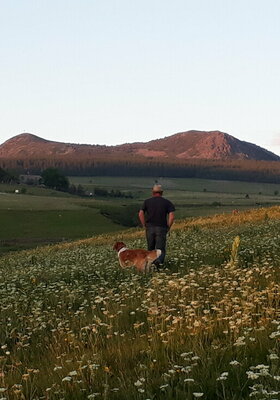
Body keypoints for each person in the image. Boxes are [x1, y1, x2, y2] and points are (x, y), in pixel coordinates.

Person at [138, 184, 175, 268]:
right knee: (160, 249)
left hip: (149, 228)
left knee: (150, 249)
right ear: (161, 192)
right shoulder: (167, 202)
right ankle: (159, 266)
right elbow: (172, 216)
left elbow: (140, 214)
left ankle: (150, 266)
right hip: (161, 228)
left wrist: (144, 225)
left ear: (153, 192)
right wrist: (168, 227)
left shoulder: (147, 202)